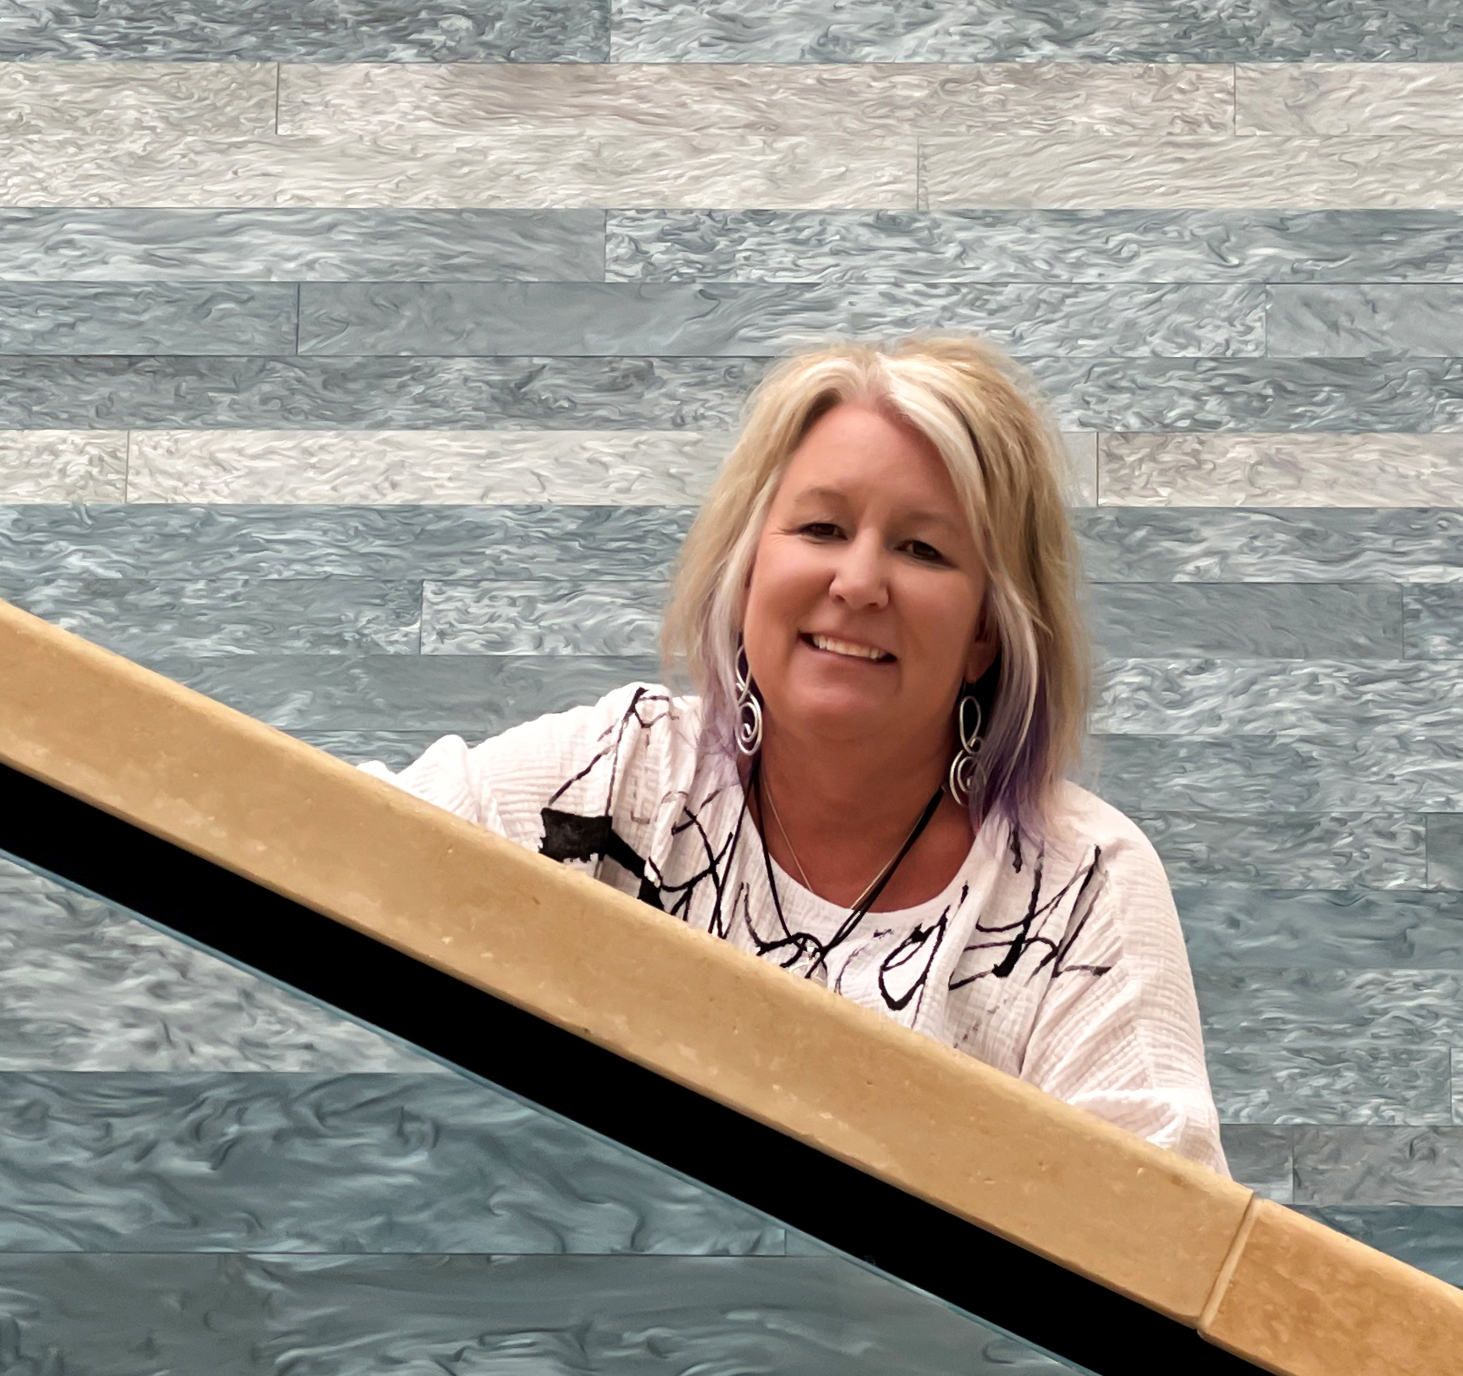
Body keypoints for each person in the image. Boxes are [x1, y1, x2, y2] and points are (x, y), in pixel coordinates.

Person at [364, 337, 1227, 1173]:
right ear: (746, 574)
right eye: (821, 527)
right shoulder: (625, 773)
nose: (857, 583)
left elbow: (1161, 1230)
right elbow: (337, 857)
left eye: (922, 549)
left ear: (986, 636)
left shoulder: (1078, 890)